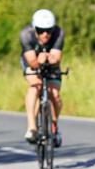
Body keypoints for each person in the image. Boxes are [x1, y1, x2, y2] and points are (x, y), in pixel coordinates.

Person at [20, 9, 65, 146]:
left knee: (55, 94)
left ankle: (54, 126)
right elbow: (31, 61)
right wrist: (39, 60)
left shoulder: (58, 33)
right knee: (35, 87)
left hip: (51, 63)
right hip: (31, 62)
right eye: (40, 30)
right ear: (34, 29)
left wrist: (51, 59)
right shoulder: (26, 35)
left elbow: (56, 58)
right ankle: (32, 127)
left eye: (48, 30)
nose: (45, 34)